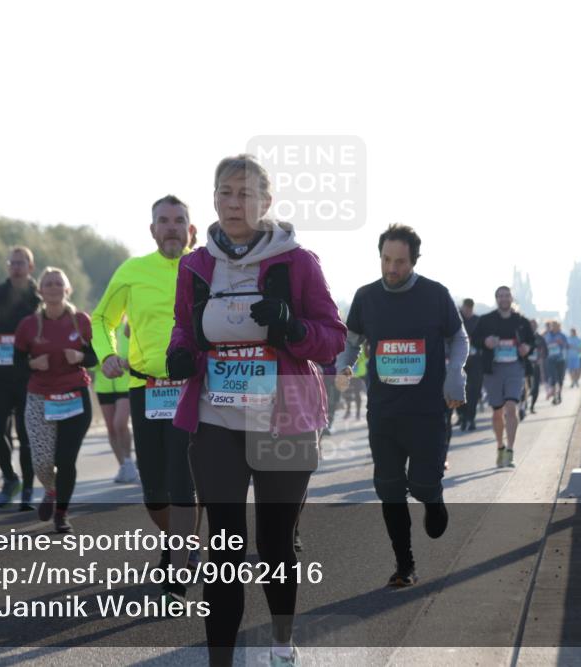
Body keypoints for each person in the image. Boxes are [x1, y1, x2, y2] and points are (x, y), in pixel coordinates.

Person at [167, 154, 346, 667]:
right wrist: (181, 352)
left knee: (274, 547)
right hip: (216, 416)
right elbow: (185, 326)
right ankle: (220, 659)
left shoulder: (298, 262)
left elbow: (331, 338)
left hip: (283, 418)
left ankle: (281, 642)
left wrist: (292, 328)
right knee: (223, 548)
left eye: (245, 193)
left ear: (266, 202)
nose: (233, 202)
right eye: (225, 192)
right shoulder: (196, 265)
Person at [336, 224, 467, 589]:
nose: (392, 268)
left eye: (400, 262)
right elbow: (351, 342)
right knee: (389, 488)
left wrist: (456, 372)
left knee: (423, 486)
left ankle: (433, 497)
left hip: (427, 412)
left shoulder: (435, 295)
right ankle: (404, 564)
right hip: (384, 411)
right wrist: (343, 365)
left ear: (414, 261)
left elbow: (458, 337)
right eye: (386, 260)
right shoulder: (366, 298)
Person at [92, 194, 200, 603]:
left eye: (179, 221)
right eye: (163, 221)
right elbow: (101, 319)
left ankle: (177, 559)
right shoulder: (133, 271)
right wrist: (106, 355)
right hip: (145, 388)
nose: (171, 227)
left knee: (183, 479)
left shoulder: (203, 267)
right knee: (154, 489)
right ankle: (181, 540)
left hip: (193, 388)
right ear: (152, 229)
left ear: (190, 229)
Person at [13, 268, 97, 533]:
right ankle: (50, 489)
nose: (53, 288)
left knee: (66, 458)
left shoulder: (81, 321)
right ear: (40, 290)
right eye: (47, 284)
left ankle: (61, 514)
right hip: (40, 396)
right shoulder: (28, 325)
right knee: (42, 460)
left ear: (67, 289)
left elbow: (95, 357)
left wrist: (81, 358)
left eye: (58, 283)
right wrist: (30, 363)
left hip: (74, 396)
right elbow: (15, 364)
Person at [0, 246, 42, 509]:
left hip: (30, 373)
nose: (16, 266)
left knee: (27, 435)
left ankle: (28, 488)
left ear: (30, 267)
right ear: (8, 266)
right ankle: (9, 478)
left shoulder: (38, 297)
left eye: (22, 262)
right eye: (13, 262)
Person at [469, 286, 534, 468]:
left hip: (515, 368)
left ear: (512, 298)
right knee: (497, 411)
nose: (504, 299)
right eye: (500, 296)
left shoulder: (521, 321)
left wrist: (527, 348)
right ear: (496, 298)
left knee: (512, 407)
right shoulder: (486, 320)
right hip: (493, 369)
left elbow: (532, 341)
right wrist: (485, 342)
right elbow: (474, 339)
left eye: (507, 295)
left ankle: (510, 451)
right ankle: (500, 447)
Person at [93, 319, 136, 484]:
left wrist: (126, 362)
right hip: (103, 386)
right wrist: (104, 362)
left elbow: (137, 353)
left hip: (125, 383)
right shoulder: (100, 330)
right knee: (111, 428)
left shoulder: (130, 327)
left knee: (120, 423)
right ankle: (123, 466)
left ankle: (129, 460)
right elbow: (92, 361)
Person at [457, 298, 483, 431]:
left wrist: (475, 340)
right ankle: (461, 415)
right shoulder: (456, 319)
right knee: (459, 388)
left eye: (469, 310)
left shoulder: (478, 321)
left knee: (473, 391)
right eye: (465, 309)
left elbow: (483, 339)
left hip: (475, 360)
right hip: (459, 360)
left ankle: (471, 418)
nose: (467, 312)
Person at [544, 320, 569, 404]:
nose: (554, 327)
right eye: (552, 325)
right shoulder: (547, 335)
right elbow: (543, 346)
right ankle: (554, 397)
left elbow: (567, 345)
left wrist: (561, 343)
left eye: (555, 325)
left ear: (559, 326)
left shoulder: (562, 335)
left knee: (560, 379)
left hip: (560, 360)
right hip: (550, 360)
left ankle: (559, 395)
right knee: (553, 379)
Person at [526, 318, 547, 415]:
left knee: (535, 388)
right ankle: (523, 404)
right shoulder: (523, 337)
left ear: (537, 327)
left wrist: (541, 358)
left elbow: (546, 352)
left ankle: (532, 406)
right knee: (526, 386)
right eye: (531, 325)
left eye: (534, 325)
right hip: (525, 365)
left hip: (536, 365)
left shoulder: (540, 338)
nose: (532, 327)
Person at [341, 346, 367, 420]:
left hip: (357, 374)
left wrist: (357, 362)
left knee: (357, 393)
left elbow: (365, 358)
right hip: (347, 373)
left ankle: (358, 413)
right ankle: (348, 411)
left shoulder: (361, 345)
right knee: (347, 393)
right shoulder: (346, 344)